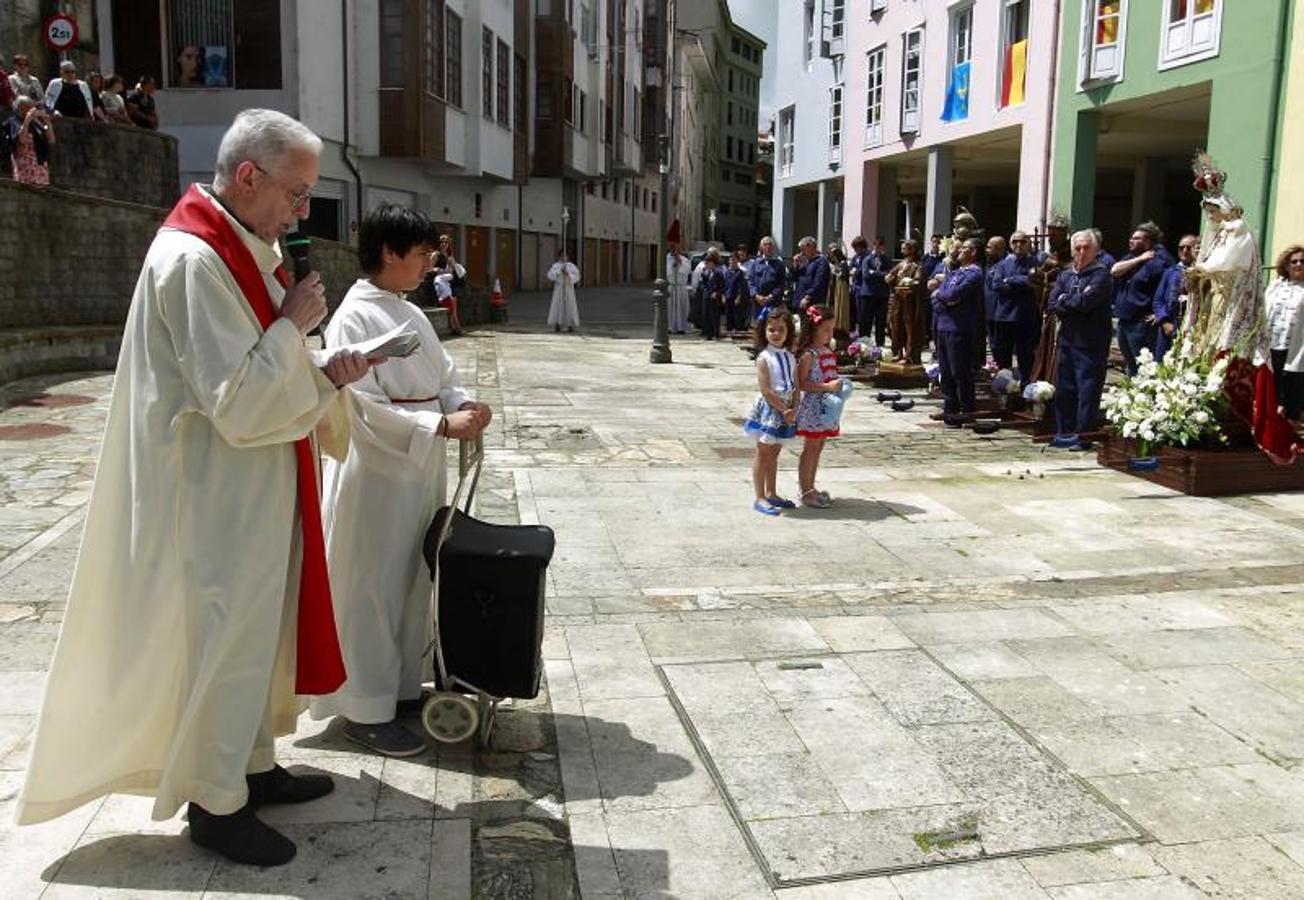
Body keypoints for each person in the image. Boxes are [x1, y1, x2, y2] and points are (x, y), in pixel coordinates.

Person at [14, 110, 374, 867]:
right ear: (248, 176)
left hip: (254, 484)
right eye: (297, 194)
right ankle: (216, 805)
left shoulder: (239, 248)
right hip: (212, 496)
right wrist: (291, 327)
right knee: (225, 641)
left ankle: (250, 765)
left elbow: (260, 370)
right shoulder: (191, 260)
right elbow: (236, 401)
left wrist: (325, 371)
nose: (301, 213)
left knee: (255, 636)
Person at [311, 203, 491, 756]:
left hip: (416, 470)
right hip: (375, 475)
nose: (428, 263)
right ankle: (363, 708)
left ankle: (399, 687)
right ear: (389, 253)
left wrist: (464, 405)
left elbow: (443, 377)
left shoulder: (407, 311)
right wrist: (437, 424)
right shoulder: (353, 318)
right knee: (371, 587)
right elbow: (359, 406)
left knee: (410, 579)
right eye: (420, 254)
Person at [1049, 229, 1114, 447]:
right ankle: (1064, 432)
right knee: (1065, 390)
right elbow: (1052, 303)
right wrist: (1069, 300)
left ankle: (1083, 436)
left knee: (1087, 392)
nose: (1082, 252)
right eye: (1078, 248)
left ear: (1096, 250)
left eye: (1087, 248)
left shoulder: (1101, 275)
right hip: (1067, 341)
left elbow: (1086, 303)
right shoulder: (1066, 275)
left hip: (1090, 343)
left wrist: (1065, 299)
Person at [743, 306, 799, 515]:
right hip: (771, 409)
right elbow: (766, 390)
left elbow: (796, 385)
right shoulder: (764, 358)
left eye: (781, 330)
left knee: (775, 451)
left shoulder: (790, 357)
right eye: (771, 329)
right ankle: (759, 496)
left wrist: (795, 406)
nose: (776, 334)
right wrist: (784, 410)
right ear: (764, 331)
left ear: (788, 332)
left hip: (787, 409)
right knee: (763, 451)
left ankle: (771, 492)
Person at [794, 305, 844, 508]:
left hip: (827, 408)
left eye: (832, 329)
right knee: (810, 447)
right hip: (813, 408)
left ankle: (811, 486)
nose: (829, 334)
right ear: (814, 329)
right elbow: (801, 383)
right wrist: (826, 387)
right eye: (826, 330)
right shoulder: (809, 355)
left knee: (819, 447)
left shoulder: (827, 351)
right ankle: (805, 490)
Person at [930, 239, 983, 426]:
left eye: (964, 248)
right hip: (943, 325)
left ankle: (966, 410)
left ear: (973, 252)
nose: (959, 250)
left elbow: (952, 294)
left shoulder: (974, 274)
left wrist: (942, 296)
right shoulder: (955, 272)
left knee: (959, 372)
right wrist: (943, 298)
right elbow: (937, 297)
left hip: (959, 327)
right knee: (945, 371)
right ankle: (950, 409)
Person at [1110, 222, 1170, 375]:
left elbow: (1168, 288)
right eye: (1132, 238)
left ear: (1148, 242)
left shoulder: (1159, 263)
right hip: (1124, 321)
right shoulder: (1131, 258)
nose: (1131, 241)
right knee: (1130, 366)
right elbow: (1114, 270)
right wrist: (1139, 259)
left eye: (1136, 238)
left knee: (1144, 368)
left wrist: (1160, 313)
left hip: (1141, 324)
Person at [991, 231, 1039, 378]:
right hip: (1004, 316)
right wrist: (1022, 282)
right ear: (1010, 245)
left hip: (1025, 317)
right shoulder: (1002, 264)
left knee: (1025, 356)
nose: (1019, 244)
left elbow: (1034, 281)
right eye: (1015, 241)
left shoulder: (1035, 263)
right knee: (1002, 356)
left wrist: (1009, 280)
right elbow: (996, 285)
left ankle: (1025, 386)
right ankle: (1005, 385)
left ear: (1029, 244)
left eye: (1023, 241)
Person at [1266, 245, 1304, 420]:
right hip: (1273, 342)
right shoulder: (1275, 286)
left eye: (1302, 261)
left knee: (1292, 390)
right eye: (1294, 261)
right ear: (1286, 265)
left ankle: (1291, 426)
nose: (1298, 264)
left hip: (1297, 346)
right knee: (1273, 387)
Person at [1153, 234, 1198, 361]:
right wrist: (1164, 322)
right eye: (1181, 247)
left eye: (1189, 247)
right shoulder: (1170, 272)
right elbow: (1158, 301)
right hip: (1168, 327)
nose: (1185, 251)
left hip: (1191, 329)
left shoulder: (1201, 273)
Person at [886, 239, 926, 364]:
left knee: (909, 328)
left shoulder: (917, 265)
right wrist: (889, 277)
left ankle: (909, 355)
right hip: (898, 300)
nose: (902, 250)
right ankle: (898, 352)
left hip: (910, 302)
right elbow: (891, 275)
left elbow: (919, 281)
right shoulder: (901, 264)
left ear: (912, 250)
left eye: (904, 248)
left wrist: (910, 281)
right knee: (896, 327)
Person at [9, 96, 53, 186]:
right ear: (20, 108)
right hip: (25, 165)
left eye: (31, 107)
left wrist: (47, 122)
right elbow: (22, 139)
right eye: (27, 107)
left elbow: (51, 140)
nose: (31, 109)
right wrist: (27, 119)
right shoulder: (14, 121)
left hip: (39, 164)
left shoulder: (36, 123)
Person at [857, 236, 891, 346]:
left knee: (881, 321)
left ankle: (880, 344)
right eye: (877, 246)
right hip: (868, 294)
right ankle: (864, 344)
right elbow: (866, 275)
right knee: (866, 321)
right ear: (874, 245)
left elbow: (890, 275)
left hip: (882, 295)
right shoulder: (867, 259)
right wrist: (882, 275)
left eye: (882, 246)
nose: (879, 248)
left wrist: (874, 273)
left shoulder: (887, 260)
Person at [983, 236, 1008, 363]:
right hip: (989, 311)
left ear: (999, 249)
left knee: (1001, 345)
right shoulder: (989, 263)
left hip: (1001, 312)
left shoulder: (1007, 263)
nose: (986, 250)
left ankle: (1003, 368)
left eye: (989, 247)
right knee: (993, 344)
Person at [435, 234, 467, 334]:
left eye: (446, 242)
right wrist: (439, 270)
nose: (444, 244)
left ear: (449, 244)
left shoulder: (450, 256)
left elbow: (451, 272)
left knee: (454, 307)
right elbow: (431, 268)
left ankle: (455, 327)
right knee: (451, 306)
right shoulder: (436, 255)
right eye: (442, 242)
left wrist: (452, 265)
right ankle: (457, 327)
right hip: (441, 284)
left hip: (450, 283)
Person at [749, 235, 788, 313]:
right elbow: (750, 282)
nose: (768, 247)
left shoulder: (779, 264)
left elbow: (781, 284)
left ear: (773, 248)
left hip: (773, 302)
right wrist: (756, 296)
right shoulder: (755, 263)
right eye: (765, 244)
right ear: (761, 247)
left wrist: (769, 297)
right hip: (757, 302)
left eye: (770, 244)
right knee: (757, 321)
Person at [547, 248, 581, 332]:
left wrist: (568, 274)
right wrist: (559, 272)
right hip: (559, 288)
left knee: (569, 305)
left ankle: (570, 324)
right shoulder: (556, 266)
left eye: (565, 256)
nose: (563, 258)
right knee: (558, 305)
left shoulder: (571, 266)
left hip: (568, 288)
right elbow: (550, 275)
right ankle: (557, 323)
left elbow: (577, 276)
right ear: (559, 257)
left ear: (567, 257)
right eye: (562, 256)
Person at [696, 248, 725, 340]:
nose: (706, 265)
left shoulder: (718, 272)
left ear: (712, 263)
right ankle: (708, 334)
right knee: (706, 315)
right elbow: (704, 283)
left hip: (715, 297)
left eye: (708, 263)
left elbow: (722, 286)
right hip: (707, 296)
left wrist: (717, 293)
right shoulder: (706, 272)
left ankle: (716, 333)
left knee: (714, 316)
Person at [723, 248, 752, 332]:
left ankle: (737, 329)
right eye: (730, 260)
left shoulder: (740, 273)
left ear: (737, 261)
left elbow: (741, 287)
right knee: (728, 315)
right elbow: (724, 285)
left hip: (736, 297)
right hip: (728, 296)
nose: (731, 262)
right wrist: (723, 295)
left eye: (733, 260)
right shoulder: (727, 272)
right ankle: (729, 329)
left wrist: (739, 297)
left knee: (737, 315)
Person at [666, 243, 691, 333]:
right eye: (672, 248)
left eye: (675, 248)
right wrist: (673, 266)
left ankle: (681, 327)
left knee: (682, 308)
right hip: (672, 286)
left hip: (681, 287)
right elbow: (667, 272)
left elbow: (686, 271)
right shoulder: (667, 259)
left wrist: (680, 262)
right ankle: (670, 327)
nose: (674, 251)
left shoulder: (684, 259)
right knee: (670, 308)